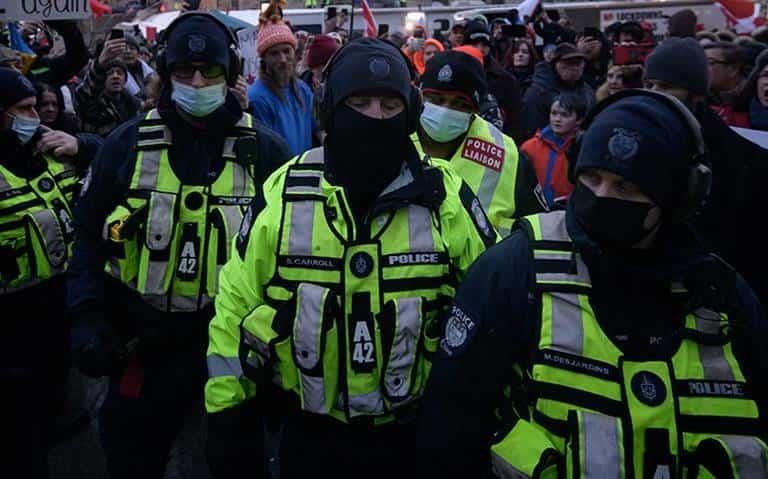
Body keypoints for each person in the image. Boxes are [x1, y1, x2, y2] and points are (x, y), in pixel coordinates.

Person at [416, 89, 768, 479]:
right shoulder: (516, 267)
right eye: (592, 178)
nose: (601, 197)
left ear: (675, 197)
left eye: (626, 188)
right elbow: (453, 417)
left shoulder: (723, 296)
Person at [204, 37, 496, 479]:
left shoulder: (447, 195)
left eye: (389, 105)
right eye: (359, 102)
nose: (375, 117)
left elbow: (490, 311)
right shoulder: (284, 191)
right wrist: (228, 418)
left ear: (410, 115)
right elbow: (234, 306)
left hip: (416, 440)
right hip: (311, 437)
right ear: (330, 109)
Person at [66, 13, 292, 478]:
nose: (196, 82)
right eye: (183, 72)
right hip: (143, 346)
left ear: (229, 76)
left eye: (208, 72)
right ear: (165, 76)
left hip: (230, 354)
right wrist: (87, 318)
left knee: (235, 465)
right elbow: (86, 238)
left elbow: (291, 261)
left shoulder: (267, 151)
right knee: (132, 460)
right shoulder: (125, 145)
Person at [644, 37, 768, 306]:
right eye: (649, 85)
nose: (654, 93)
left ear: (696, 93)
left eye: (665, 86)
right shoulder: (645, 141)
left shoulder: (745, 160)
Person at [0, 67, 81, 479]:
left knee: (54, 423)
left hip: (59, 312)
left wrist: (83, 145)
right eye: (25, 109)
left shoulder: (52, 155)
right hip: (11, 330)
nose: (36, 117)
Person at [413, 50, 542, 237]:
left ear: (475, 110)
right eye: (436, 99)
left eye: (459, 103)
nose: (445, 110)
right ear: (420, 96)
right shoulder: (393, 139)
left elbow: (536, 229)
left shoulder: (508, 156)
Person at [249, 8, 317, 156]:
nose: (282, 59)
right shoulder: (257, 98)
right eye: (274, 53)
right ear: (264, 59)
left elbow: (316, 130)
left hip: (304, 170)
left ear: (294, 51)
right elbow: (268, 150)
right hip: (279, 175)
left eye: (286, 51)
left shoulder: (303, 90)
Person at [521, 92, 587, 209]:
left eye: (565, 115)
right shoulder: (530, 147)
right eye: (554, 113)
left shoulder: (584, 148)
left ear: (579, 120)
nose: (557, 119)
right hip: (534, 213)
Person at [522, 42, 596, 140]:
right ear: (556, 64)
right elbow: (530, 128)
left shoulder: (587, 91)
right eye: (568, 62)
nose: (574, 67)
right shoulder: (539, 91)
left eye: (578, 63)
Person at [462, 20, 522, 139]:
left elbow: (515, 123)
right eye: (474, 44)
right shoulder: (456, 76)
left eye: (484, 44)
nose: (480, 49)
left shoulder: (505, 81)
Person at [75, 38, 141, 137]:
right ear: (102, 78)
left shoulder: (132, 104)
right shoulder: (92, 102)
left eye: (119, 73)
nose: (115, 76)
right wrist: (100, 65)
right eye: (110, 73)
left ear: (125, 79)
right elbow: (86, 92)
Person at [23, 20, 89, 88]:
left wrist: (60, 21)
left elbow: (77, 58)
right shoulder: (20, 70)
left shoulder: (45, 67)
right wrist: (22, 38)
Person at [704, 42, 749, 127]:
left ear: (733, 69)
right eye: (701, 62)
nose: (702, 67)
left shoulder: (756, 99)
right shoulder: (699, 97)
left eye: (710, 62)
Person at [123, 32, 156, 101]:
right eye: (124, 48)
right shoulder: (114, 75)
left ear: (137, 53)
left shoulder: (150, 73)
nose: (128, 51)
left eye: (132, 48)